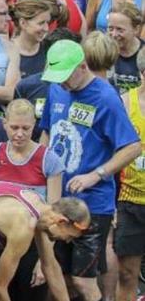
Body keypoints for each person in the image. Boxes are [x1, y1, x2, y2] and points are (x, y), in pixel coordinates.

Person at [40, 39, 142, 300]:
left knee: (83, 280)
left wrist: (96, 174)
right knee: (58, 275)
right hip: (58, 199)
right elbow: (47, 133)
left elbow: (132, 147)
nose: (62, 82)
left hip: (92, 204)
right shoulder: (56, 90)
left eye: (65, 76)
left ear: (83, 67)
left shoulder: (106, 97)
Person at [0, 183, 89, 301]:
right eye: (70, 236)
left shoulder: (40, 208)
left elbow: (50, 267)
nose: (67, 241)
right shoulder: (24, 224)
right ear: (61, 221)